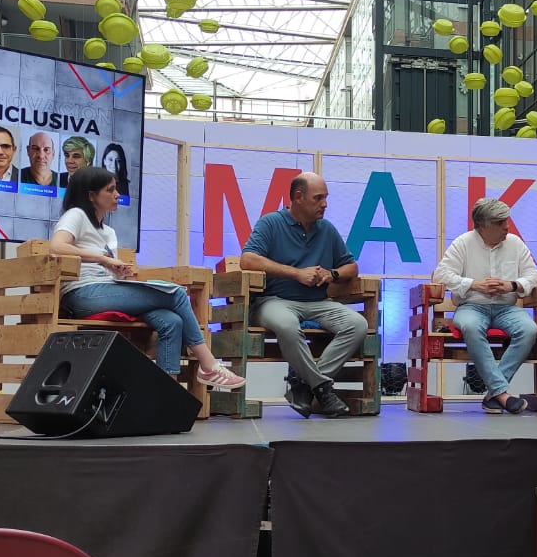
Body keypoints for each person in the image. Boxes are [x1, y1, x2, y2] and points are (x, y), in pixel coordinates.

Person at [50, 166, 245, 389]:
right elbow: (57, 246)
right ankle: (209, 365)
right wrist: (104, 259)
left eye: (117, 189)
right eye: (110, 190)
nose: (117, 195)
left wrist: (118, 270)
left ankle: (165, 394)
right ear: (92, 196)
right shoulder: (76, 215)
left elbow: (103, 267)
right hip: (83, 294)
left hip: (107, 289)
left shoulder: (109, 232)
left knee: (173, 321)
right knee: (177, 294)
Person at [240, 172, 367, 419]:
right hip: (275, 301)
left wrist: (332, 274)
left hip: (318, 302)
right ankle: (322, 388)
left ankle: (305, 386)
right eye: (318, 198)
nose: (325, 204)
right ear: (298, 198)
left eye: (326, 198)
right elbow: (247, 259)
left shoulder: (327, 230)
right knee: (287, 325)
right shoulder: (271, 223)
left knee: (357, 324)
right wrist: (296, 274)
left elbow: (352, 267)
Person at [432, 198, 537, 414]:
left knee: (529, 329)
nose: (507, 227)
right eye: (500, 222)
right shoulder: (463, 243)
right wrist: (474, 284)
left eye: (506, 221)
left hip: (506, 308)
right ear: (483, 225)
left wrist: (511, 285)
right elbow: (441, 274)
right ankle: (502, 394)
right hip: (472, 306)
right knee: (471, 327)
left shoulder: (515, 243)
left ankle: (494, 394)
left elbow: (534, 275)